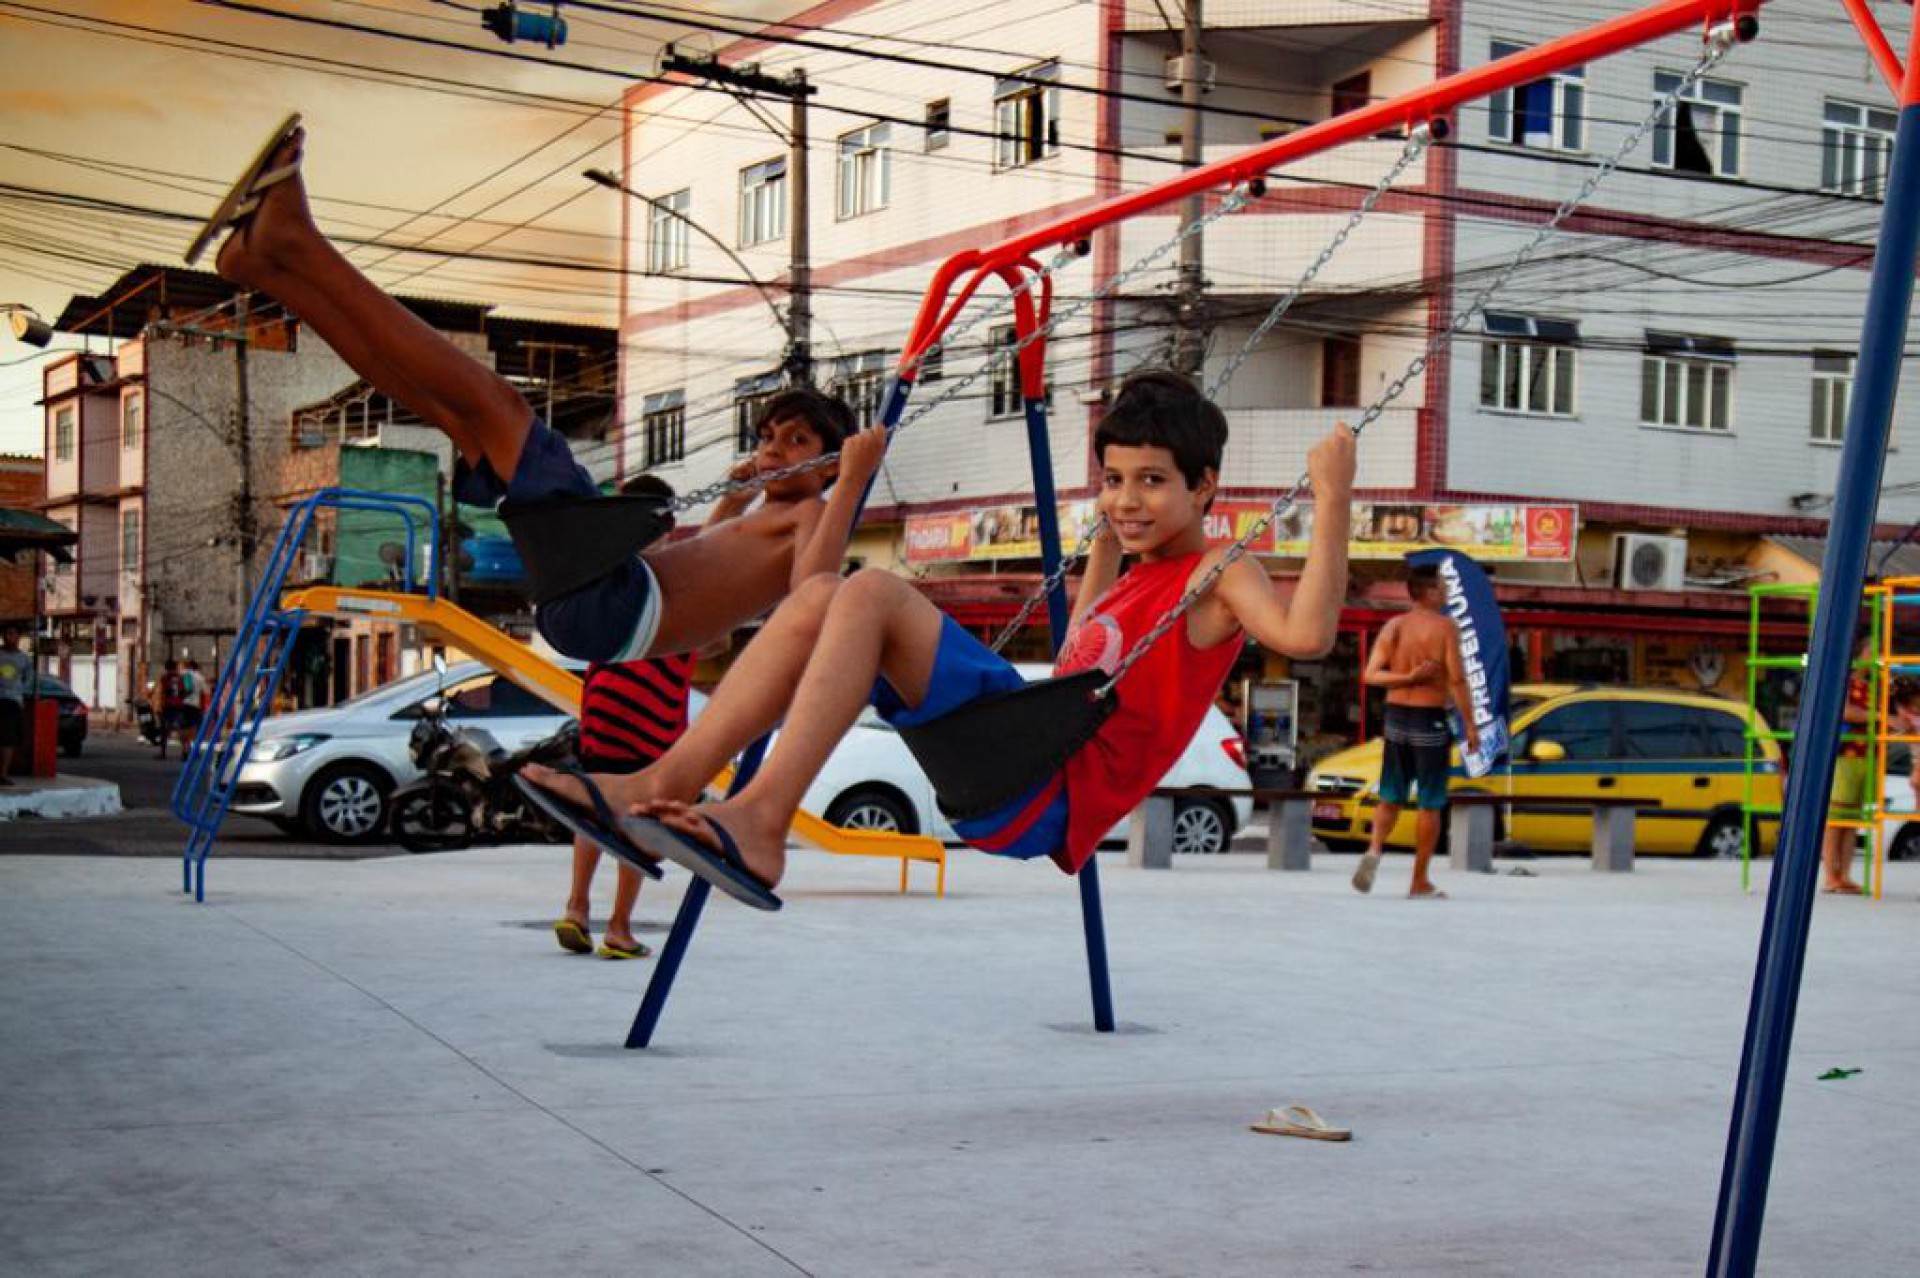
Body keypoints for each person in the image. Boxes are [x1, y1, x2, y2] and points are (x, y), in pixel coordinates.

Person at [525, 370, 1355, 903]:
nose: (1127, 498)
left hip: (1043, 790)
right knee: (820, 596)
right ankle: (656, 784)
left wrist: (1332, 497)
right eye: (1113, 480)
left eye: (1152, 483)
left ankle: (761, 822)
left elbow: (1308, 633)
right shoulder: (1135, 573)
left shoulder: (1218, 573)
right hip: (1007, 762)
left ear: (1205, 486)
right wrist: (1107, 540)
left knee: (872, 591)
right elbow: (1078, 663)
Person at [196, 116, 887, 672]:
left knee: (502, 406)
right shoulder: (769, 516)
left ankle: (297, 243)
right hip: (599, 604)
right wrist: (734, 496)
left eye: (798, 441)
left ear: (829, 464)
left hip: (613, 602)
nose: (774, 449)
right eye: (769, 436)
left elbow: (813, 594)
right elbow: (706, 566)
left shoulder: (816, 517)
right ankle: (272, 267)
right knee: (462, 417)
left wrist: (852, 484)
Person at [553, 476, 712, 961]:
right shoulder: (673, 572)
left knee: (594, 806)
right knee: (643, 818)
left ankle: (576, 909)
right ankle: (619, 929)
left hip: (603, 708)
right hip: (652, 718)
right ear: (667, 519)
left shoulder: (609, 568)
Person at [1350, 562, 1481, 900]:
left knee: (1391, 793)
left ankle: (1375, 849)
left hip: (1395, 719)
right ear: (1428, 592)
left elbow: (1371, 675)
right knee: (1430, 802)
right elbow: (1456, 679)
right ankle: (1419, 880)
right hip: (1428, 720)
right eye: (1442, 586)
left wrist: (1404, 679)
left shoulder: (1394, 626)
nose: (1448, 592)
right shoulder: (1445, 628)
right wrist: (1470, 723)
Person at [1820, 633, 1874, 895]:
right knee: (1836, 817)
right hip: (1845, 755)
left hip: (1865, 755)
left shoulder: (1872, 686)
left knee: (1851, 820)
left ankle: (1845, 874)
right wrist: (1876, 716)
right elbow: (1845, 711)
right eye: (1873, 651)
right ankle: (1831, 874)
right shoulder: (1846, 682)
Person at [0, 624, 30, 786]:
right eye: (6, 633)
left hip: (12, 702)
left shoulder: (24, 659)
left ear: (18, 636)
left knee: (9, 740)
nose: (8, 637)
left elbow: (28, 679)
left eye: (11, 633)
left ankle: (3, 774)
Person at [154, 660, 188, 761]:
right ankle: (185, 752)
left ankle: (163, 753)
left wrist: (159, 706)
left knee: (164, 730)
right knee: (181, 729)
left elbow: (161, 692)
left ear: (166, 668)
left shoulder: (164, 678)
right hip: (179, 705)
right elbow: (185, 691)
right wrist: (181, 699)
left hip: (168, 706)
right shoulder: (180, 678)